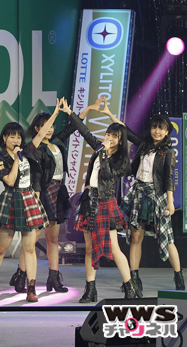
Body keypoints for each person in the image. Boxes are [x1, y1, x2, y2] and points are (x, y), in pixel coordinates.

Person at [10, 98, 103, 294]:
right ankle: (21, 275)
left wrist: (87, 108)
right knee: (32, 239)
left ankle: (53, 277)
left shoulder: (56, 143)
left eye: (52, 126)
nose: (50, 129)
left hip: (59, 191)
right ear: (37, 128)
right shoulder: (34, 148)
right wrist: (54, 114)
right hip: (43, 192)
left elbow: (74, 126)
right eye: (46, 126)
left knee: (53, 238)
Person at [64, 97, 142, 301]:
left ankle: (129, 286)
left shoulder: (121, 160)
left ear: (120, 140)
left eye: (114, 136)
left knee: (115, 248)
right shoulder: (99, 148)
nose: (109, 138)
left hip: (106, 203)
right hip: (89, 201)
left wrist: (105, 154)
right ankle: (90, 289)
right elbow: (84, 131)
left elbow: (107, 175)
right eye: (108, 134)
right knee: (89, 248)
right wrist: (71, 113)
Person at [0, 99, 62, 303]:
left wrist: (55, 113)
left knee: (29, 247)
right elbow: (10, 180)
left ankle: (31, 288)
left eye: (18, 136)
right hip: (11, 199)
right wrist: (17, 160)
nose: (16, 139)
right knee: (2, 248)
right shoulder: (1, 157)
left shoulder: (27, 151)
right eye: (12, 136)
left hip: (28, 199)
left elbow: (40, 134)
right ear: (5, 138)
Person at [104, 110, 183, 291]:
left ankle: (178, 276)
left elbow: (168, 178)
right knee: (136, 237)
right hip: (138, 193)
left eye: (161, 128)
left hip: (157, 195)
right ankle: (133, 278)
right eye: (155, 127)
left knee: (166, 237)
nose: (157, 131)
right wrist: (109, 113)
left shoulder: (168, 152)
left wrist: (170, 201)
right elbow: (125, 130)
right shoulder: (143, 146)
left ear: (167, 132)